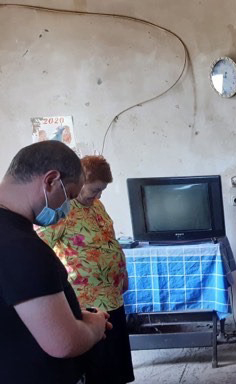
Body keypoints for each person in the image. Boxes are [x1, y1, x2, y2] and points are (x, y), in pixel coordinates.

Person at [0, 141, 110, 384]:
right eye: (69, 196)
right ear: (51, 180)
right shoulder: (21, 247)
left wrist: (66, 314)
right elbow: (64, 343)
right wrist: (94, 326)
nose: (67, 208)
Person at [37, 155, 134, 384]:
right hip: (86, 300)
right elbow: (40, 249)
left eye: (102, 191)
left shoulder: (97, 206)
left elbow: (110, 241)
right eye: (94, 190)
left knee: (115, 363)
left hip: (112, 295)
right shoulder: (62, 211)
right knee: (98, 367)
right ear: (79, 182)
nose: (98, 196)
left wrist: (123, 273)